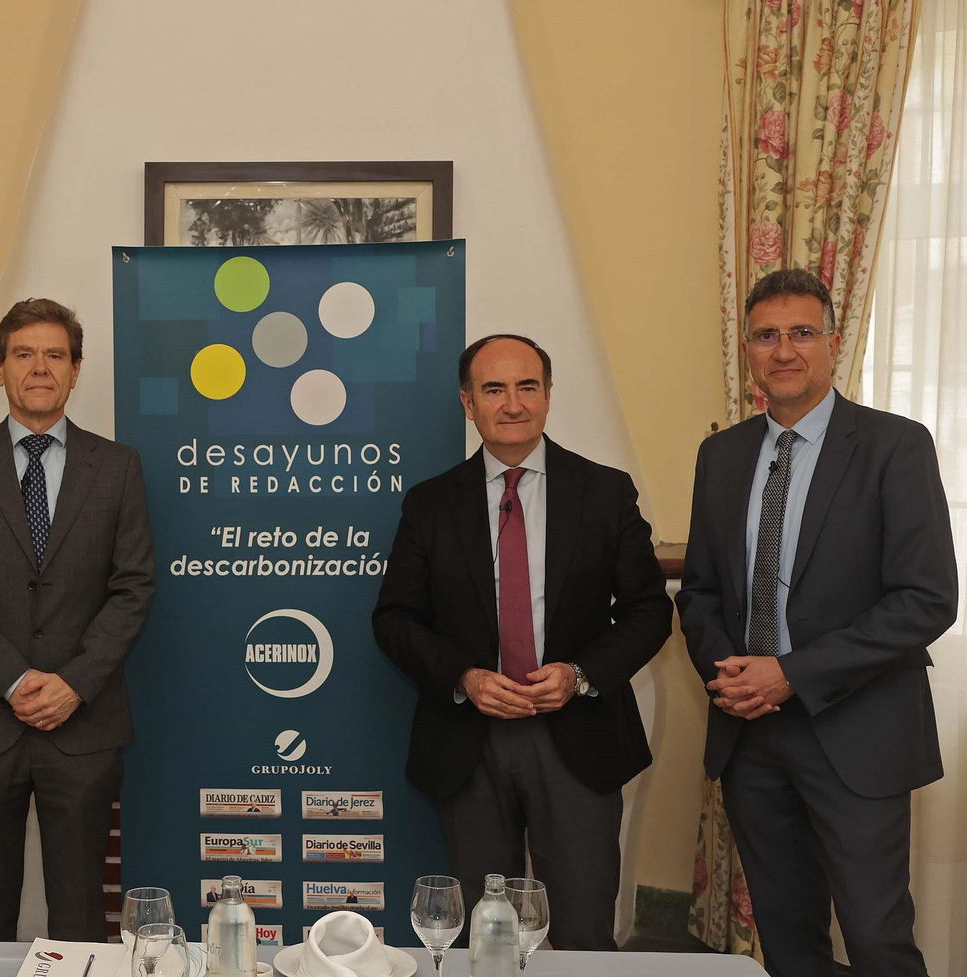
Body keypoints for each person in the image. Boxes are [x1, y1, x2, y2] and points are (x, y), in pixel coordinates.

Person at [677, 269, 956, 977]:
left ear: (833, 342)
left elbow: (927, 598)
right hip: (753, 738)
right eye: (767, 335)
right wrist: (732, 676)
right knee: (789, 940)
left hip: (857, 732)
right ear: (747, 350)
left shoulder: (896, 445)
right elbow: (701, 590)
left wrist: (790, 675)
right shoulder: (721, 455)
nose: (784, 350)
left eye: (802, 332)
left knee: (876, 938)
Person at [373, 334, 672, 949]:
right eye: (493, 389)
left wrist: (581, 674)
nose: (513, 403)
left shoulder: (605, 492)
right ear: (467, 404)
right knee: (485, 936)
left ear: (548, 396)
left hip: (578, 737)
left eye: (527, 386)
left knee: (585, 929)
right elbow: (396, 618)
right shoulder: (430, 504)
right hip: (468, 745)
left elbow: (648, 610)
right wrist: (463, 677)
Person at [0, 297, 154, 958]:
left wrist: (72, 683)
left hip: (84, 721)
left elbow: (134, 586)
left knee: (80, 909)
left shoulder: (119, 466)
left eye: (55, 354)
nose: (39, 367)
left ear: (76, 371)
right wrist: (15, 678)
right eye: (24, 354)